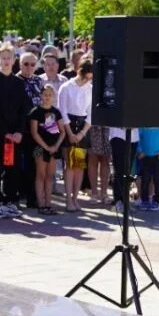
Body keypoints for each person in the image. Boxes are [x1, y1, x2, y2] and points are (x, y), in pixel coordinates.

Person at [0, 44, 32, 218]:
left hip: (15, 135)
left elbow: (24, 109)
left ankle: (11, 199)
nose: (6, 61)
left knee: (13, 167)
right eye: (3, 57)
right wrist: (5, 132)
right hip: (0, 133)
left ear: (14, 60)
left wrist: (19, 132)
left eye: (9, 58)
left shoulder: (19, 82)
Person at [58, 61, 93, 212]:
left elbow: (91, 112)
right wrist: (70, 133)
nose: (87, 81)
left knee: (79, 165)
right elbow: (62, 110)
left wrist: (82, 133)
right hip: (69, 126)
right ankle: (68, 200)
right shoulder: (66, 87)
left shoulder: (90, 88)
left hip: (83, 127)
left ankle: (75, 198)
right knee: (70, 165)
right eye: (85, 77)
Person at [29, 84, 65, 215]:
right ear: (40, 96)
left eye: (50, 95)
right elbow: (34, 133)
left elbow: (62, 132)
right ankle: (41, 204)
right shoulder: (35, 112)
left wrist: (55, 146)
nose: (47, 97)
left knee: (50, 176)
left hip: (53, 148)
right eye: (45, 95)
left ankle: (49, 203)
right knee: (40, 175)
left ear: (53, 97)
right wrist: (46, 147)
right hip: (39, 147)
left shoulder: (56, 112)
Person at [17, 52, 44, 208]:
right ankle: (19, 193)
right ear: (20, 64)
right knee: (19, 164)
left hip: (37, 132)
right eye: (26, 64)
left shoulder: (38, 81)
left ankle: (33, 196)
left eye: (32, 64)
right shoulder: (14, 80)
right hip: (21, 130)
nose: (29, 67)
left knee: (35, 162)